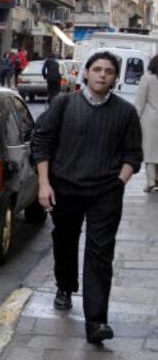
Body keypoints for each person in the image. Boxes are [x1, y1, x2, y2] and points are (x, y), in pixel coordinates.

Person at [32, 51, 143, 344]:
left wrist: (118, 183)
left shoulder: (125, 113)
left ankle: (96, 321)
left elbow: (133, 155)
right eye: (97, 69)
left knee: (100, 253)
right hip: (65, 187)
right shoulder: (64, 104)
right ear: (86, 73)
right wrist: (44, 184)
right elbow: (41, 141)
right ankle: (65, 286)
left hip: (105, 193)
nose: (102, 75)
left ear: (115, 78)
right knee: (65, 240)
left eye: (108, 71)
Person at [135, 55, 158, 193]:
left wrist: (135, 119)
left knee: (149, 150)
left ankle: (151, 181)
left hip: (151, 118)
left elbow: (140, 101)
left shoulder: (147, 78)